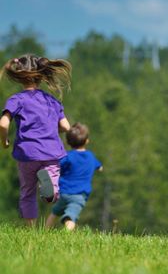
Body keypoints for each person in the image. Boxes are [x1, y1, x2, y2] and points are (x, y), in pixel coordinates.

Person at [0, 54, 72, 226]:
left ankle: (30, 229)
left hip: (27, 153)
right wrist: (50, 127)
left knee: (27, 192)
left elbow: (3, 124)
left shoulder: (17, 100)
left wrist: (4, 142)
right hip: (51, 152)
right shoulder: (51, 100)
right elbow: (66, 127)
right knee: (53, 190)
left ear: (19, 76)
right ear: (41, 75)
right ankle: (51, 192)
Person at [45, 123, 103, 230]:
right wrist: (99, 168)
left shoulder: (67, 157)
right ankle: (66, 236)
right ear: (86, 141)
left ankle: (43, 232)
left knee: (54, 213)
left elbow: (56, 167)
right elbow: (99, 167)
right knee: (70, 217)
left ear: (68, 142)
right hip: (79, 195)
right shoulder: (90, 157)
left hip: (64, 193)